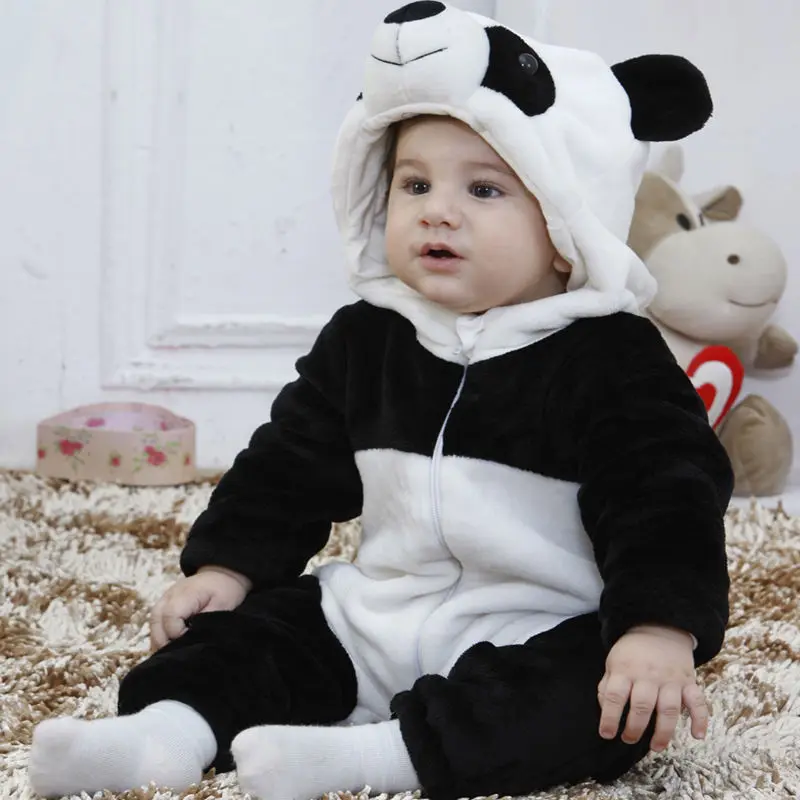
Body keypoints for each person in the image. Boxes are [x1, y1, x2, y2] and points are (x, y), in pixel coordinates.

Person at [28, 3, 734, 800]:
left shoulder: (612, 356)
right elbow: (289, 465)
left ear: (569, 219)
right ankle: (162, 736)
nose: (438, 209)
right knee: (251, 636)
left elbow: (667, 495)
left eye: (484, 189)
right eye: (414, 183)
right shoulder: (370, 337)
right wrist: (229, 565)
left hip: (537, 627)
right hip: (377, 612)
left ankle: (369, 759)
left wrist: (657, 627)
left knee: (604, 707)